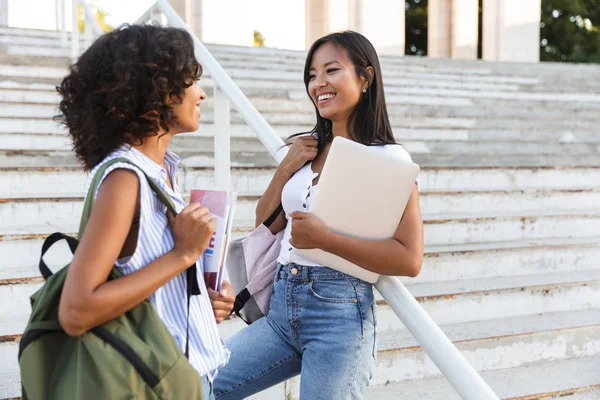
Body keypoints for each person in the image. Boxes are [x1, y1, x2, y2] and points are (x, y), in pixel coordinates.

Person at [213, 31, 424, 400]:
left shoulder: (390, 160)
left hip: (337, 317)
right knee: (199, 384)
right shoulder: (308, 150)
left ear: (366, 77)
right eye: (312, 74)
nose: (318, 83)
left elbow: (409, 258)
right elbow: (266, 222)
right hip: (281, 309)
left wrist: (326, 240)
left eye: (331, 70)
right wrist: (286, 168)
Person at [56, 24, 234, 400]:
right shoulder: (125, 179)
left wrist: (201, 297)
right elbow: (76, 310)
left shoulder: (162, 172)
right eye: (189, 80)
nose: (200, 93)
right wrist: (182, 254)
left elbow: (149, 281)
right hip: (154, 385)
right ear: (154, 90)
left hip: (186, 379)